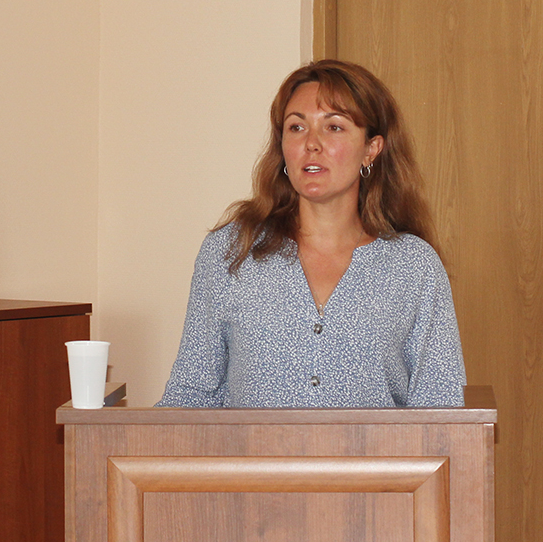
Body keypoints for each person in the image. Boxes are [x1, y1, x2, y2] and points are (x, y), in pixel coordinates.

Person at [156, 59, 465, 408]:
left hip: (375, 449)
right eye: (297, 127)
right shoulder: (231, 252)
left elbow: (442, 406)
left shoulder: (414, 266)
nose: (312, 144)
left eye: (333, 127)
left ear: (371, 149)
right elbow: (190, 395)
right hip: (248, 448)